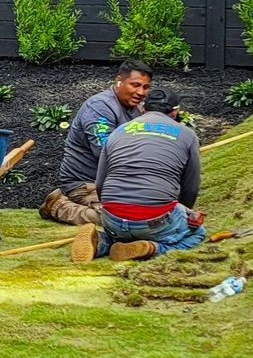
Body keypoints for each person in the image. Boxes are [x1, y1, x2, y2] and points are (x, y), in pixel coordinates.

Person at [70, 86, 207, 262]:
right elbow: (191, 187)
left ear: (143, 108)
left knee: (123, 231)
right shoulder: (187, 135)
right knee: (196, 233)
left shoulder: (117, 132)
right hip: (155, 220)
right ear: (175, 112)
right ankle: (152, 248)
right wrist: (186, 214)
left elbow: (100, 182)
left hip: (112, 216)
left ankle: (103, 243)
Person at [40, 60, 153, 226]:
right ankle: (59, 206)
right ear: (119, 81)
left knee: (154, 211)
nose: (141, 92)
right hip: (86, 183)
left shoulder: (137, 109)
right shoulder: (99, 108)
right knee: (124, 220)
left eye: (145, 87)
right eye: (135, 85)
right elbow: (104, 152)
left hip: (116, 181)